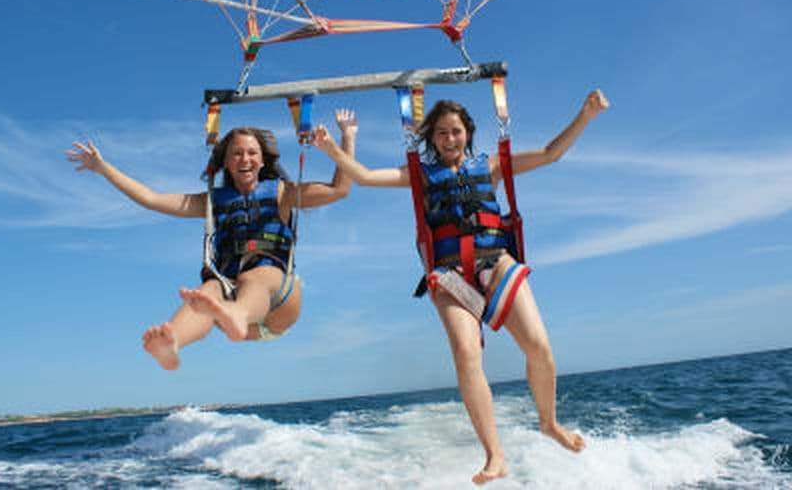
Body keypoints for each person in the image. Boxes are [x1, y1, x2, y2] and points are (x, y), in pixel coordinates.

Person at [312, 90, 608, 485]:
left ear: (467, 133)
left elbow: (551, 153)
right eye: (441, 134)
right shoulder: (420, 176)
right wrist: (333, 147)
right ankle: (495, 455)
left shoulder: (491, 167)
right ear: (432, 140)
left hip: (495, 262)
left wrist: (585, 114)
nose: (449, 140)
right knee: (467, 354)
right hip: (449, 275)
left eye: (455, 132)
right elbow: (365, 176)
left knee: (538, 345)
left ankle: (549, 423)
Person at [66, 109, 358, 371]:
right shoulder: (211, 202)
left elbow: (339, 189)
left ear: (262, 159)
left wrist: (347, 137)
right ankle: (172, 343)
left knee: (257, 276)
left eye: (252, 152)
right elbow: (150, 198)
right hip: (229, 302)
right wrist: (103, 168)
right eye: (237, 153)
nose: (245, 158)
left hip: (278, 306)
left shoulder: (282, 193)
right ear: (226, 162)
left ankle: (237, 314)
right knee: (208, 289)